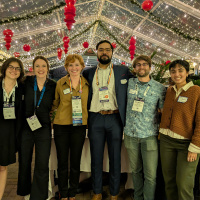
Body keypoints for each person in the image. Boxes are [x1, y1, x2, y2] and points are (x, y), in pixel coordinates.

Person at [82, 40, 133, 200]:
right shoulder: (88, 73)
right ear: (96, 52)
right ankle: (96, 191)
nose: (104, 52)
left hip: (115, 118)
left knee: (115, 157)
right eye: (101, 50)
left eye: (107, 50)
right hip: (95, 118)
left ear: (112, 52)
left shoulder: (123, 71)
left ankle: (114, 192)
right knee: (95, 157)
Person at [124, 55, 166, 200]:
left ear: (150, 67)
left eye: (144, 64)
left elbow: (162, 112)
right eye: (138, 65)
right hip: (130, 134)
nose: (141, 67)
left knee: (150, 175)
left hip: (149, 136)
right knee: (135, 171)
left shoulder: (159, 88)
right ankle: (137, 197)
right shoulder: (128, 83)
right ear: (134, 68)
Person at [159, 60, 200, 200]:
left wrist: (195, 147)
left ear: (187, 72)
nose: (177, 74)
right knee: (169, 181)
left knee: (184, 184)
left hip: (186, 144)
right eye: (173, 71)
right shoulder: (170, 90)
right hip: (166, 141)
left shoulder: (196, 91)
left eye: (180, 70)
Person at [17, 56, 56, 200]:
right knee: (25, 159)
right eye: (37, 66)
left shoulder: (52, 85)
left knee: (42, 161)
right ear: (33, 68)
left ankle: (39, 194)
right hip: (26, 126)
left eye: (43, 66)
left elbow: (57, 103)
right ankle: (24, 189)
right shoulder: (25, 82)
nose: (40, 69)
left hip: (44, 127)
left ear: (47, 68)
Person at [52, 54, 89, 200]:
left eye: (76, 65)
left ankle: (72, 192)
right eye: (70, 65)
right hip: (61, 126)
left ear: (82, 66)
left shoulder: (86, 84)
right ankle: (63, 191)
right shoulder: (60, 83)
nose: (74, 68)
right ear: (66, 67)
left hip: (79, 126)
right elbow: (55, 104)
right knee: (62, 161)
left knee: (75, 160)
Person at [0, 57, 24, 200]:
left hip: (9, 133)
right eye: (11, 67)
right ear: (4, 68)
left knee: (3, 167)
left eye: (17, 68)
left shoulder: (22, 88)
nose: (14, 70)